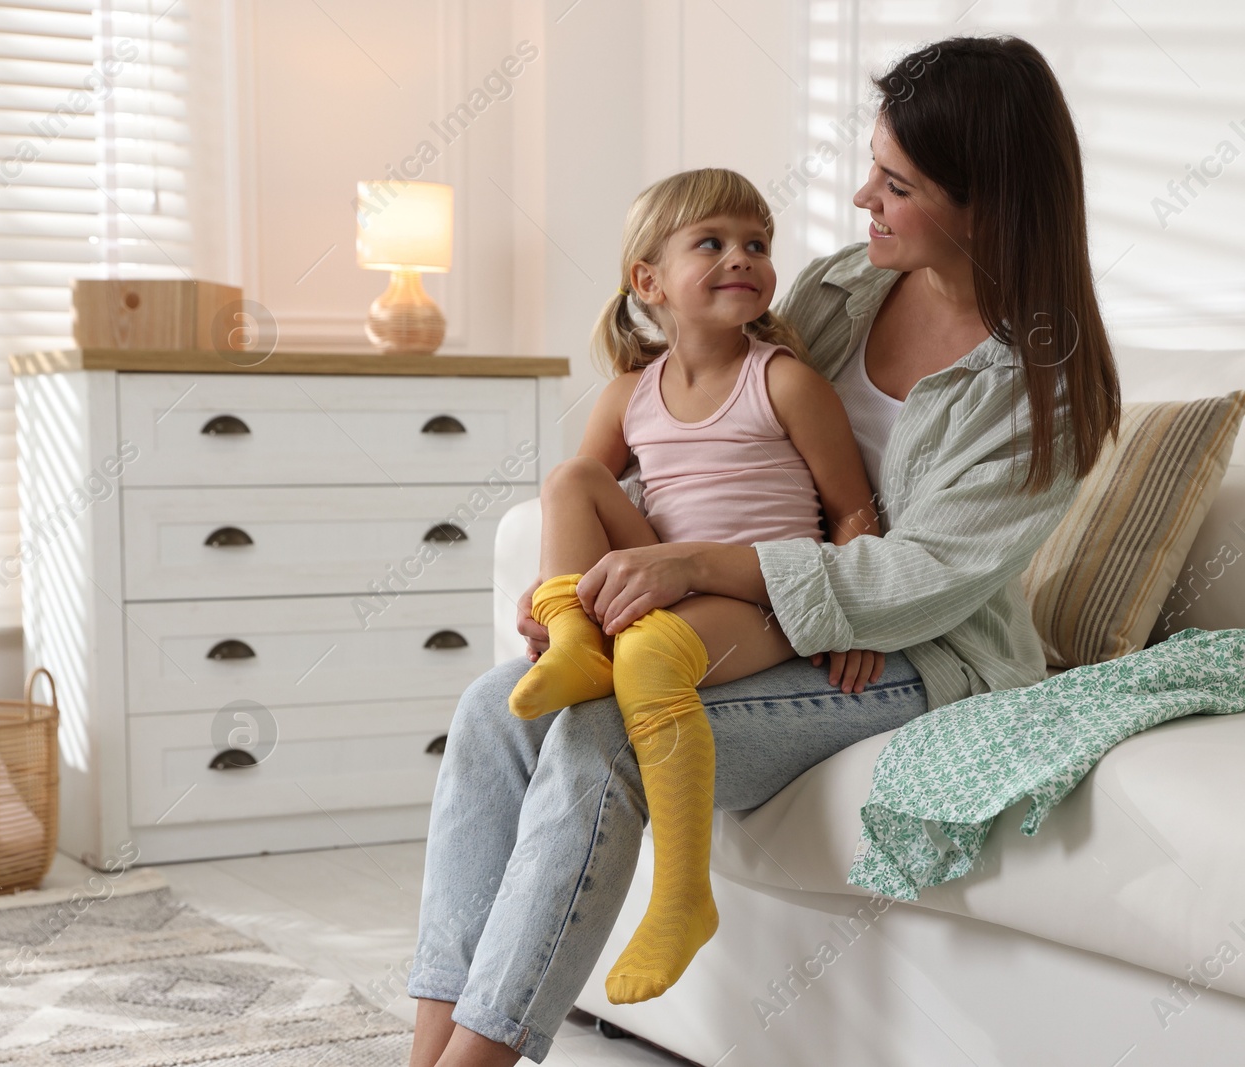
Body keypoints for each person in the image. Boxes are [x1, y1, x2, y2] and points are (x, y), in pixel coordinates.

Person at [407, 34, 1121, 1067]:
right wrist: (597, 575)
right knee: (489, 708)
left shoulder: (1038, 386)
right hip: (767, 617)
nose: (859, 200)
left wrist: (697, 570)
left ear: (985, 203)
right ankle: (422, 1049)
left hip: (922, 657)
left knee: (600, 738)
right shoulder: (836, 293)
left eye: (896, 183)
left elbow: (911, 579)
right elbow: (703, 443)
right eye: (872, 167)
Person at [508, 166, 883, 1005]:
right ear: (649, 281)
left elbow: (855, 512)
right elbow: (587, 510)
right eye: (710, 242)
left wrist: (862, 615)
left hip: (767, 598)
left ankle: (682, 897)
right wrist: (549, 596)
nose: (741, 257)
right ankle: (575, 642)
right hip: (669, 579)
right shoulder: (630, 395)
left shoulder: (782, 379)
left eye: (756, 243)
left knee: (647, 659)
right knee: (571, 478)